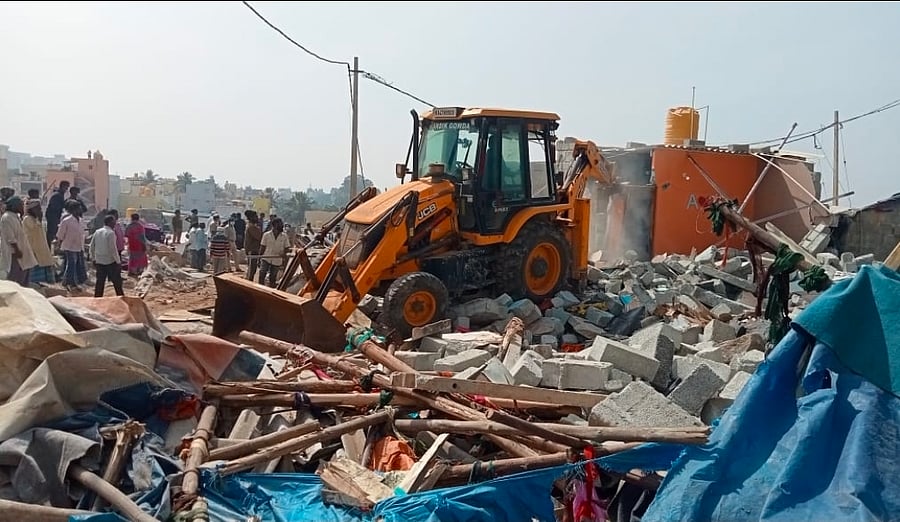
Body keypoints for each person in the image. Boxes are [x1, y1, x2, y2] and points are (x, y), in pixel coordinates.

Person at [0, 196, 37, 286]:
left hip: (22, 251)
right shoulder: (7, 218)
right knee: (14, 279)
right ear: (14, 206)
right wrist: (17, 250)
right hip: (15, 253)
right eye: (20, 205)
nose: (22, 207)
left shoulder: (15, 217)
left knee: (24, 276)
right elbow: (10, 238)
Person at [90, 215, 124, 297]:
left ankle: (97, 298)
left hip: (99, 260)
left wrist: (93, 258)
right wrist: (118, 261)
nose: (115, 223)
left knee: (100, 282)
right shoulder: (111, 233)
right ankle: (120, 297)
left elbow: (92, 246)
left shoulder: (97, 231)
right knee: (117, 281)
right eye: (113, 222)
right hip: (110, 261)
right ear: (109, 222)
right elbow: (113, 249)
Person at [23, 199, 55, 284]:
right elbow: (33, 229)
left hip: (40, 246)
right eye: (37, 209)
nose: (39, 210)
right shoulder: (27, 219)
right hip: (33, 247)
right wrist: (39, 219)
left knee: (42, 264)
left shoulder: (36, 219)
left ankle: (38, 282)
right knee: (34, 265)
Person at [57, 199, 87, 290]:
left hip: (79, 246)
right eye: (79, 208)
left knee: (74, 264)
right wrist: (59, 244)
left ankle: (66, 281)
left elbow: (83, 233)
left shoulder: (81, 220)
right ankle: (71, 283)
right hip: (69, 246)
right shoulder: (66, 221)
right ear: (73, 210)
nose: (81, 210)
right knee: (71, 264)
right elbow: (60, 234)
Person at [258, 218, 289, 287]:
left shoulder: (284, 236)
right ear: (274, 225)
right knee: (262, 274)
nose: (281, 225)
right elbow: (262, 247)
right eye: (279, 224)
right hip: (266, 258)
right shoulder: (266, 235)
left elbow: (287, 248)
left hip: (277, 259)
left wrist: (284, 254)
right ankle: (260, 288)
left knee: (273, 277)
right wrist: (259, 258)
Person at [45, 181, 69, 247]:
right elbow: (55, 207)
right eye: (65, 188)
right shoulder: (57, 195)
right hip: (53, 216)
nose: (66, 190)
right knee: (52, 233)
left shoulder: (60, 195)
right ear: (62, 186)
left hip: (56, 216)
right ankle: (49, 248)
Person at [244, 210, 262, 281]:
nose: (257, 218)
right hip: (252, 250)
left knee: (252, 269)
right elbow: (259, 236)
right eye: (255, 216)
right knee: (251, 270)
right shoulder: (252, 227)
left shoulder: (253, 227)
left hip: (254, 250)